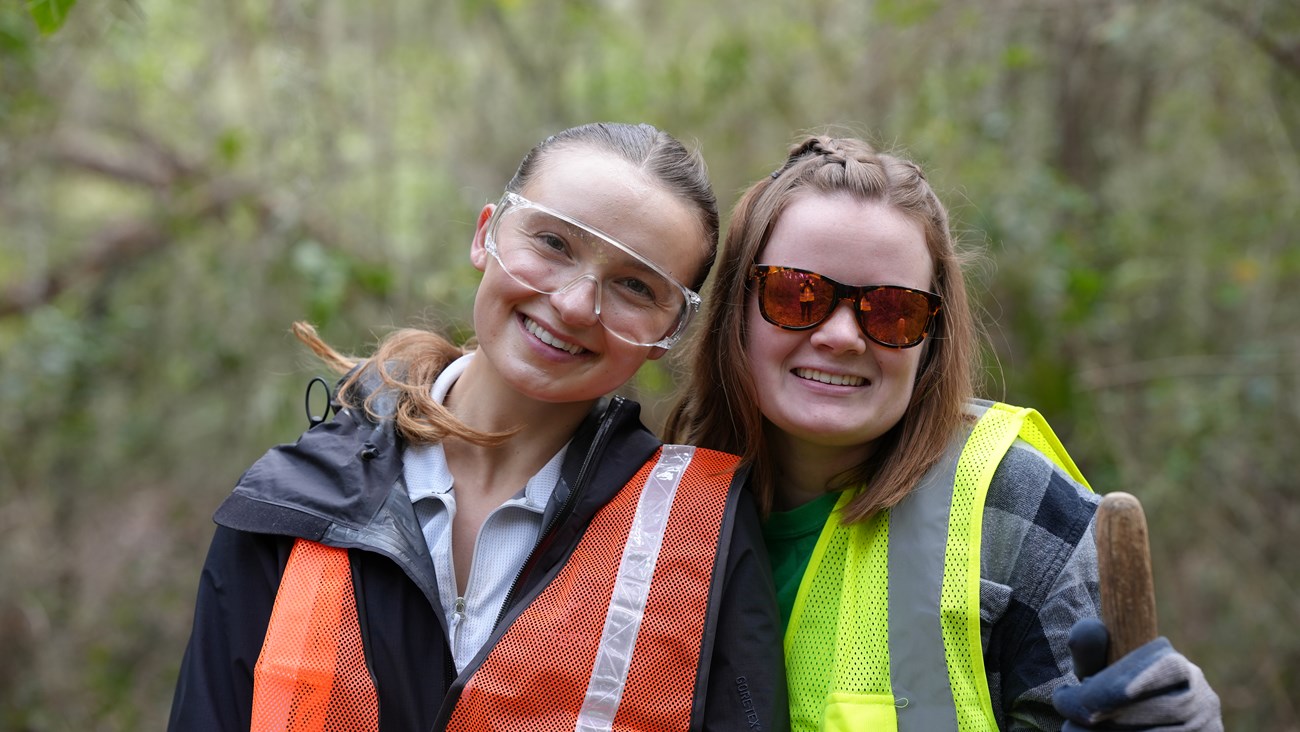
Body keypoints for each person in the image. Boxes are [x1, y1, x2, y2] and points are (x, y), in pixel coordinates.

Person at [169, 122, 787, 731]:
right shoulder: (291, 501)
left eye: (634, 285)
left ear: (667, 332)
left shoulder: (701, 536)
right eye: (553, 244)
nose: (574, 305)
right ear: (486, 233)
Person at [664, 134, 1222, 731]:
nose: (842, 336)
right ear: (734, 312)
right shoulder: (649, 517)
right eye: (796, 293)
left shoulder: (1018, 513)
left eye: (891, 310)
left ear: (931, 338)